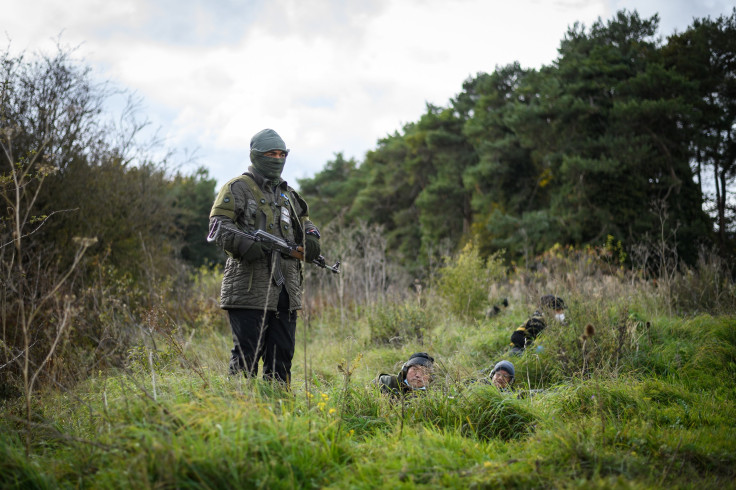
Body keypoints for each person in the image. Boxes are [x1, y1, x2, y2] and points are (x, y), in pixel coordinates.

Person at [209, 128, 321, 385]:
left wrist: (312, 236)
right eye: (272, 154)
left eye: (282, 154)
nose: (277, 158)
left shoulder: (288, 194)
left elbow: (304, 221)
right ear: (257, 156)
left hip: (286, 292)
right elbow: (218, 226)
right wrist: (246, 244)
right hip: (249, 289)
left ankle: (278, 415)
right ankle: (238, 414)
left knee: (282, 359)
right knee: (246, 359)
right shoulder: (238, 188)